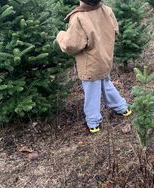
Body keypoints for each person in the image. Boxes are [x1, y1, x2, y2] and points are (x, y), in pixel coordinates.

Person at [56, 0, 131, 133]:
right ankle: (122, 107)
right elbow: (115, 31)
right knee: (106, 83)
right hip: (105, 59)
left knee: (92, 92)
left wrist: (60, 36)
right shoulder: (107, 10)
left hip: (90, 65)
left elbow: (71, 45)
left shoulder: (79, 17)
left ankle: (93, 122)